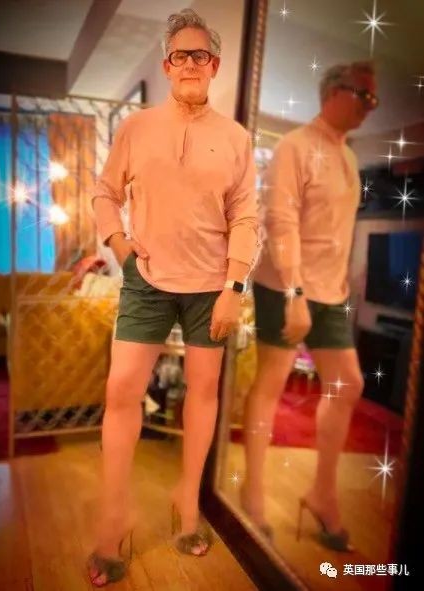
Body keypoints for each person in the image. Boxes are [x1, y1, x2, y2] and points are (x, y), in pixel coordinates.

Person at [87, 8, 259, 586]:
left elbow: (245, 217)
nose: (189, 63)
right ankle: (113, 518)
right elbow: (105, 192)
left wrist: (234, 287)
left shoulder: (236, 138)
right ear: (167, 65)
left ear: (214, 65)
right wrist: (120, 246)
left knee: (203, 393)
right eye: (179, 55)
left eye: (199, 54)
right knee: (121, 391)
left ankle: (188, 501)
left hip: (212, 286)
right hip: (147, 281)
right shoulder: (136, 128)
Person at [241, 61, 378, 552]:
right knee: (271, 385)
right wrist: (295, 294)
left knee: (348, 385)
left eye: (374, 99)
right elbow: (280, 221)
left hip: (331, 293)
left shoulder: (350, 158)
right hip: (285, 284)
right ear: (334, 92)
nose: (370, 107)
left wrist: (336, 290)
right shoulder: (294, 147)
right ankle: (252, 494)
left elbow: (338, 234)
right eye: (364, 95)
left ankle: (322, 493)